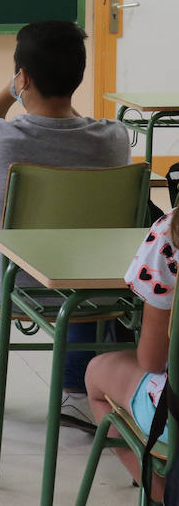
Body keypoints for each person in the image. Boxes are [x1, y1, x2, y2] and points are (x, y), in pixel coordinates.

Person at [0, 21, 130, 427]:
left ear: (22, 77)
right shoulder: (114, 139)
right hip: (94, 286)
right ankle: (75, 391)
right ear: (78, 76)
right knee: (74, 259)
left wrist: (5, 95)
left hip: (11, 280)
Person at [83, 208, 174, 494]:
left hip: (174, 416)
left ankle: (160, 493)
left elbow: (152, 360)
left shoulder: (171, 231)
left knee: (95, 373)